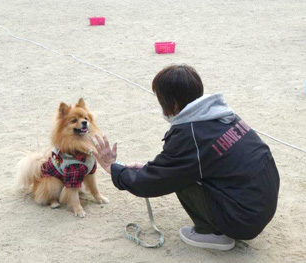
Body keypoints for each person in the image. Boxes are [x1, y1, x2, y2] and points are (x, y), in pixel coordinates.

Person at [93, 64, 280, 251]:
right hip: (260, 206)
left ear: (172, 104)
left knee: (183, 178)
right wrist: (143, 168)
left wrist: (113, 168)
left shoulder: (189, 133)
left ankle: (211, 233)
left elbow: (156, 181)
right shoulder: (221, 114)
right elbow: (189, 162)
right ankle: (223, 220)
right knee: (185, 171)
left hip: (242, 221)